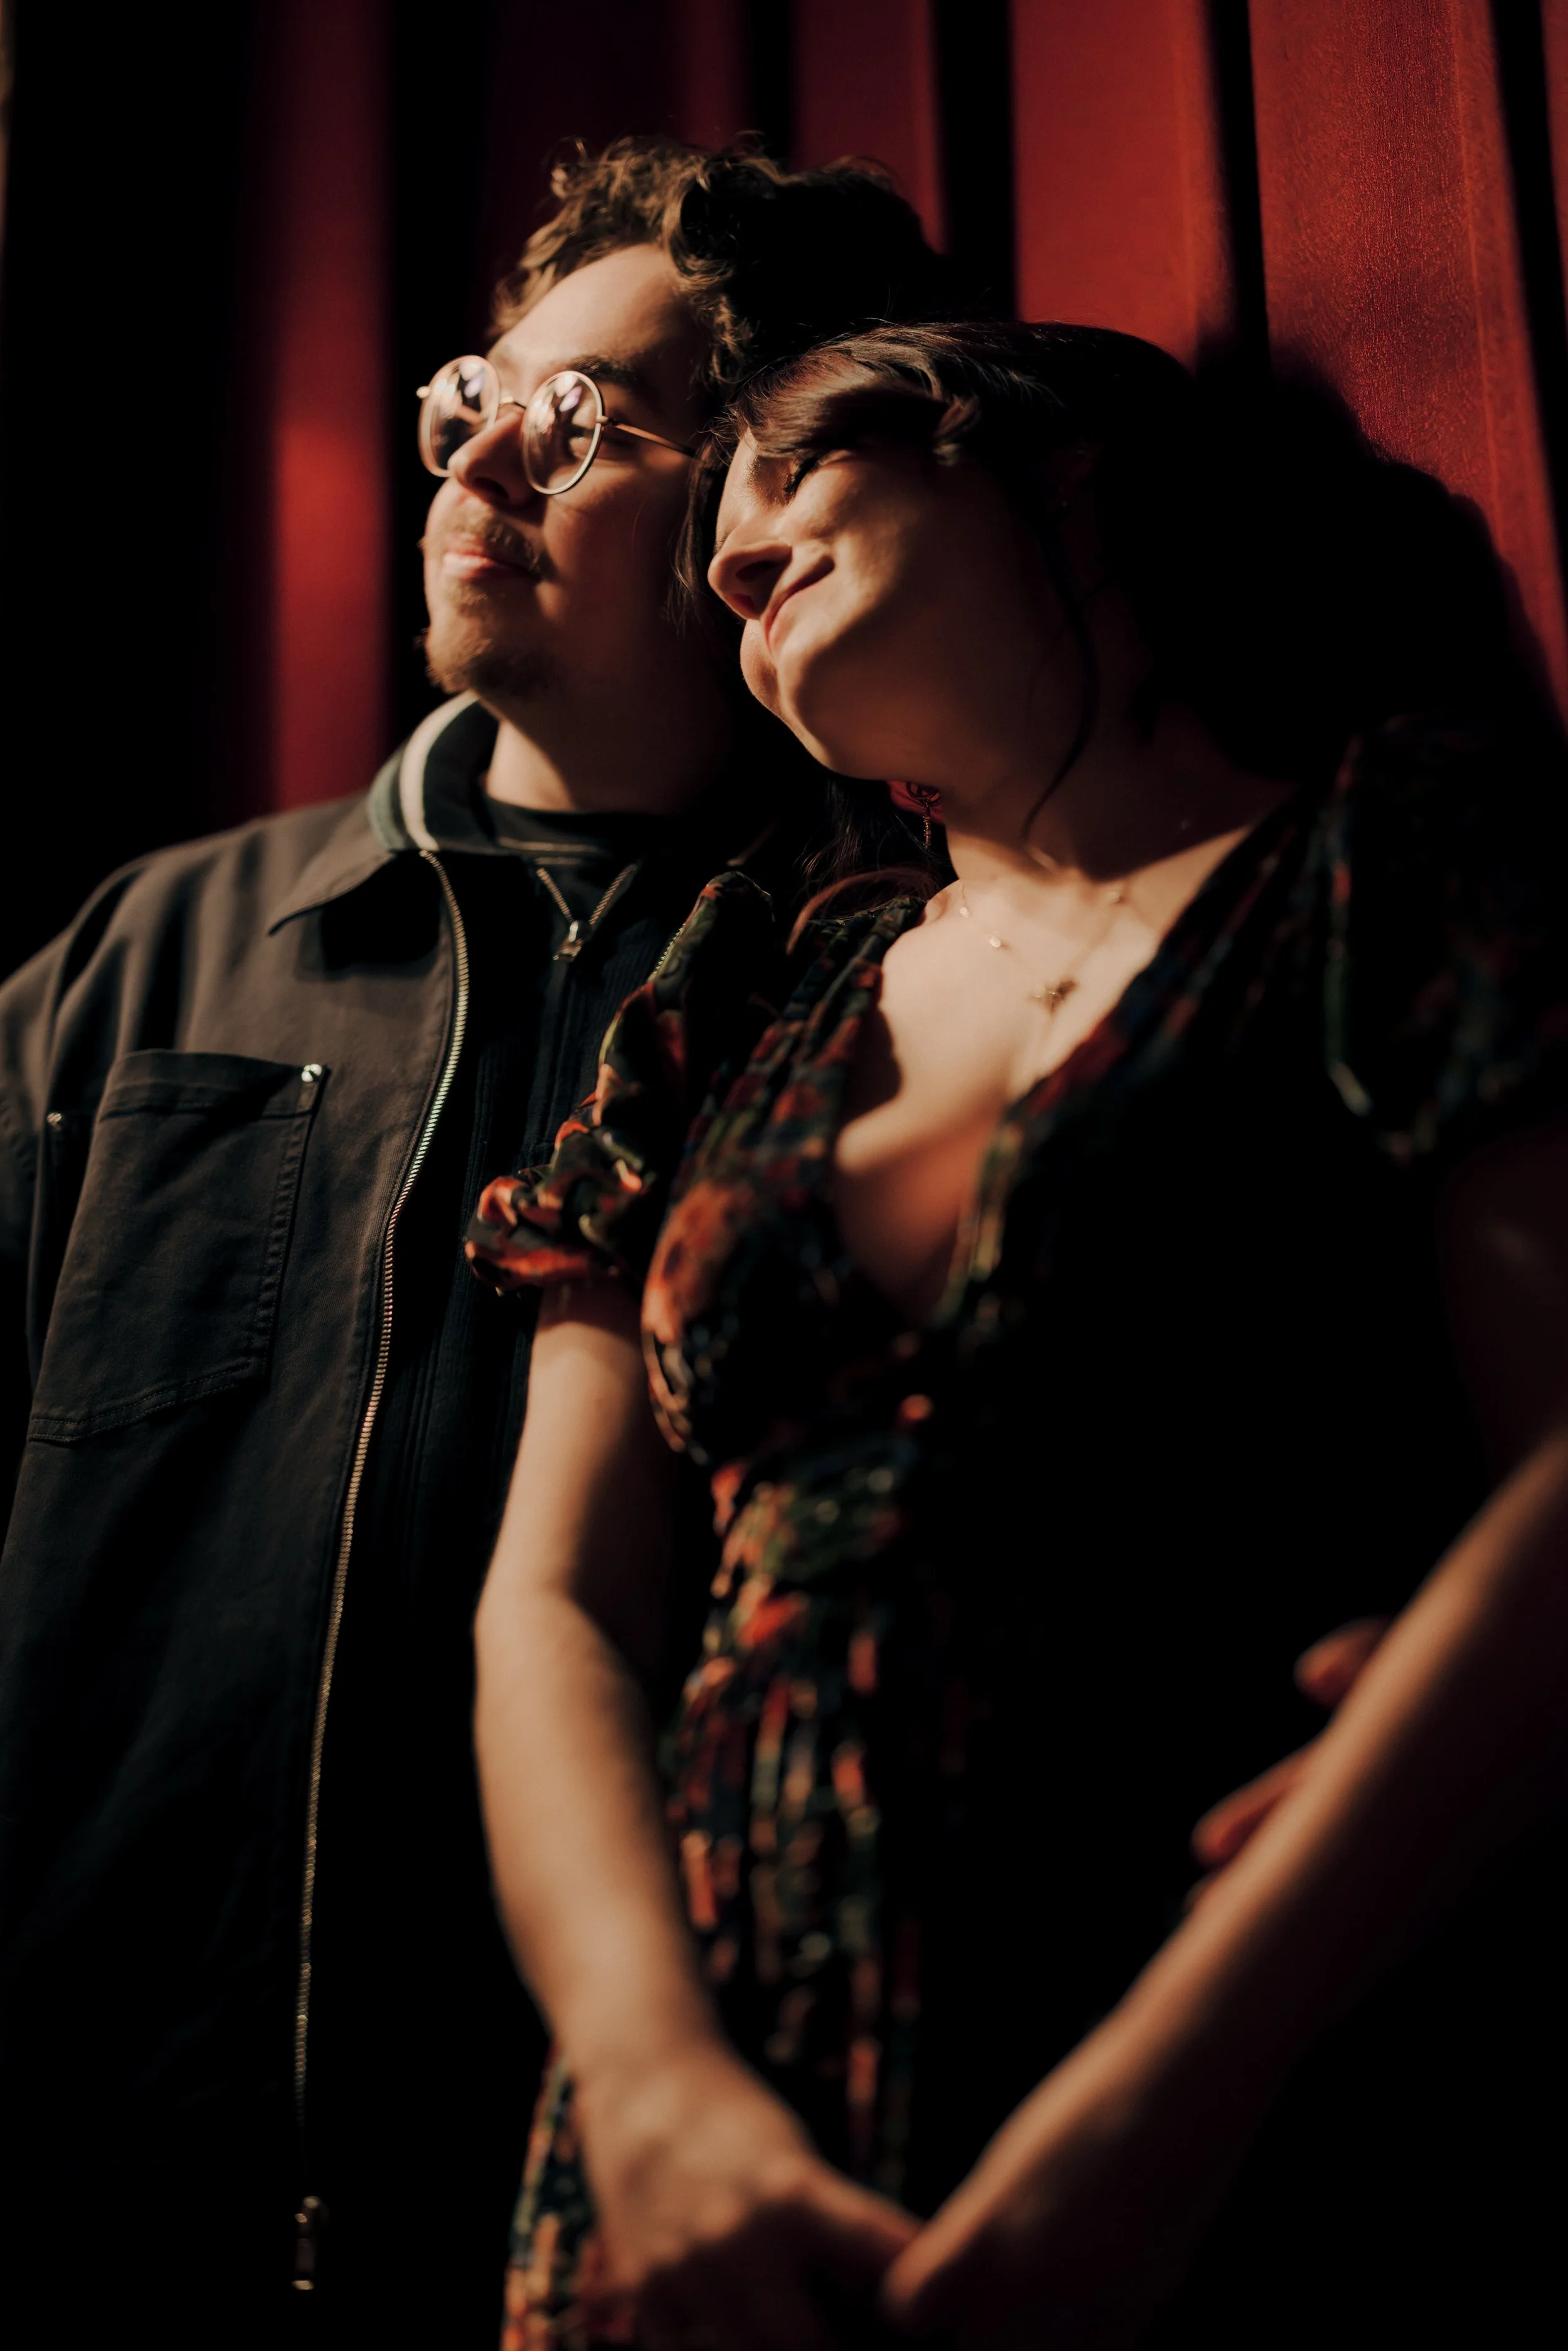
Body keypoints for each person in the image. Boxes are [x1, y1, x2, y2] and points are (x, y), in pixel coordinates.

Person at [469, 321, 1568, 2348]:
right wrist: (645, 2081)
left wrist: (1157, 2112)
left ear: (1055, 475)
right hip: (718, 2143)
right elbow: (555, 1600)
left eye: (792, 474)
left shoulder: (1386, 853)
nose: (726, 564)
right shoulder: (750, 985)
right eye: (711, 542)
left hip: (1256, 2088)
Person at [0, 146, 967, 2348]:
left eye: (584, 426)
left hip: (614, 2195)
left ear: (757, 521)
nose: (476, 469)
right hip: (96, 2159)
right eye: (480, 396)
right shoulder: (159, 958)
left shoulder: (876, 984)